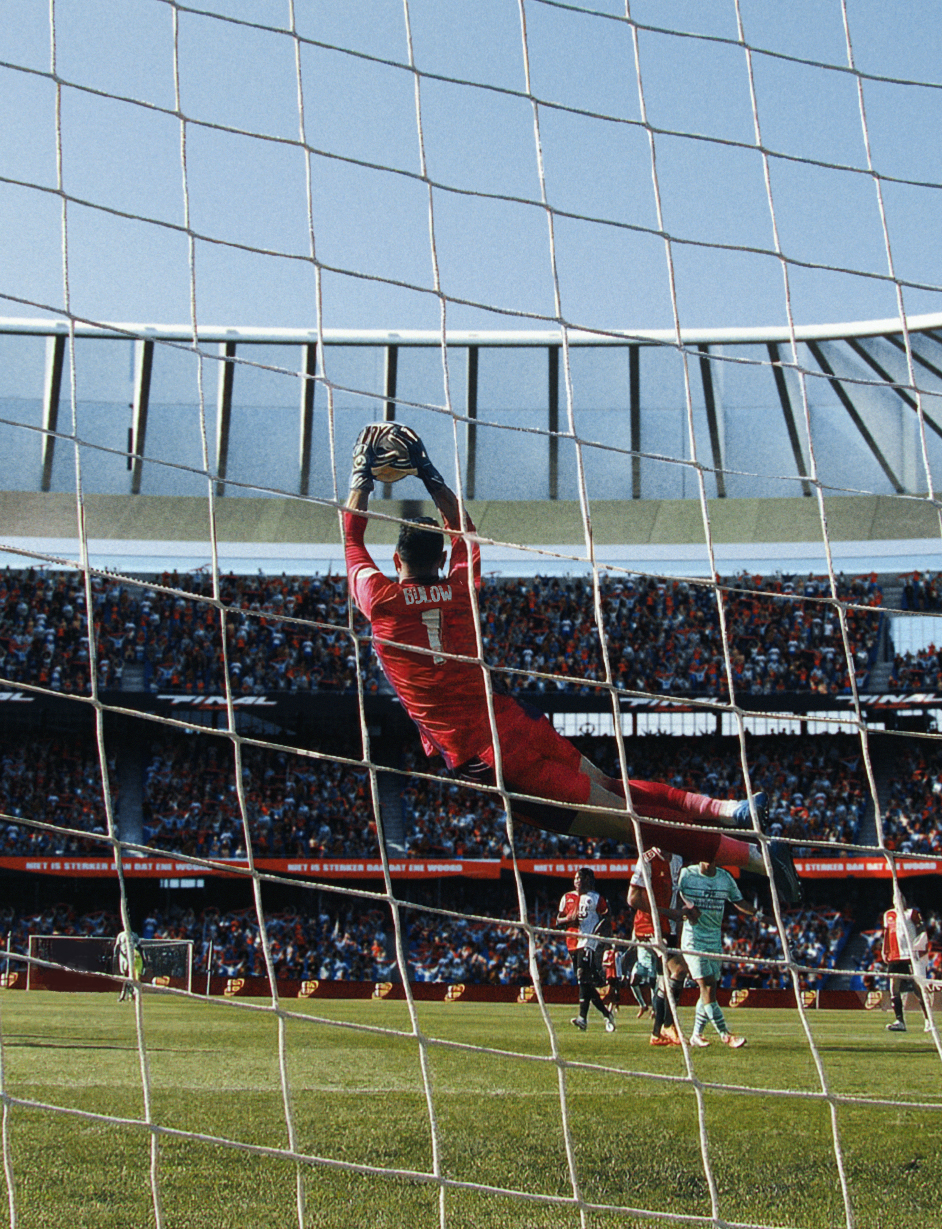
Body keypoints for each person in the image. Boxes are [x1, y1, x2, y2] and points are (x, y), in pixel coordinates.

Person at [341, 423, 799, 904]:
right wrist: (429, 475)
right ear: (441, 557)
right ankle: (729, 810)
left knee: (630, 824)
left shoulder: (382, 599)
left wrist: (361, 474)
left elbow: (351, 536)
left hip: (489, 756)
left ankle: (760, 861)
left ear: (395, 559)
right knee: (610, 786)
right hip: (514, 722)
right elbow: (464, 532)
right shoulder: (459, 590)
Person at [676, 857, 751, 1048]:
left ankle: (696, 1035)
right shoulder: (687, 874)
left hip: (714, 940)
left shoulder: (725, 878)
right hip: (693, 940)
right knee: (707, 984)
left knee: (709, 989)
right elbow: (674, 896)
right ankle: (726, 1035)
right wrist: (687, 908)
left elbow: (738, 900)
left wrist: (759, 915)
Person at [628, 845, 681, 1036]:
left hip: (669, 927)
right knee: (678, 970)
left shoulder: (677, 858)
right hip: (649, 926)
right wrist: (668, 912)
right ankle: (668, 1026)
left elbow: (676, 893)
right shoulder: (647, 859)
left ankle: (657, 1033)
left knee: (663, 979)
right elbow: (632, 899)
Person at [557, 867, 616, 1033]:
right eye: (576, 878)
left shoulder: (596, 898)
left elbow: (606, 917)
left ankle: (582, 1018)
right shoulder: (566, 897)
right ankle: (606, 1014)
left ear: (588, 880)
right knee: (585, 982)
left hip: (588, 941)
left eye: (580, 878)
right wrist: (568, 919)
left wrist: (603, 936)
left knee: (583, 977)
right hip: (572, 942)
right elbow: (557, 920)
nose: (577, 881)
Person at [878, 900, 930, 1033]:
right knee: (893, 987)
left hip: (910, 956)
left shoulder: (911, 913)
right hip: (895, 957)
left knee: (918, 988)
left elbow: (922, 931)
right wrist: (885, 951)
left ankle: (928, 1020)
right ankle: (899, 1021)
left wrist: (920, 949)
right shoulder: (888, 914)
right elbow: (887, 934)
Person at [115, 921, 144, 1002]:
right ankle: (124, 993)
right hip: (123, 957)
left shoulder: (134, 935)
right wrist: (115, 956)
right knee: (125, 975)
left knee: (131, 975)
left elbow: (139, 946)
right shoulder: (121, 935)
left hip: (132, 957)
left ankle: (129, 993)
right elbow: (117, 947)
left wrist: (142, 957)